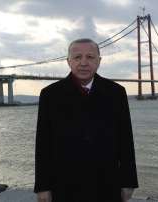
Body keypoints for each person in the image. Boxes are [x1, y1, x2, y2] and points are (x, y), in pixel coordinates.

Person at [34, 38, 138, 202]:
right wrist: (42, 186)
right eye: (77, 57)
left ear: (99, 61)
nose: (83, 62)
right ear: (68, 61)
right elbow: (42, 144)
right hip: (63, 185)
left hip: (107, 184)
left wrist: (128, 182)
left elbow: (126, 140)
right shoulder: (50, 95)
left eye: (90, 57)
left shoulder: (116, 92)